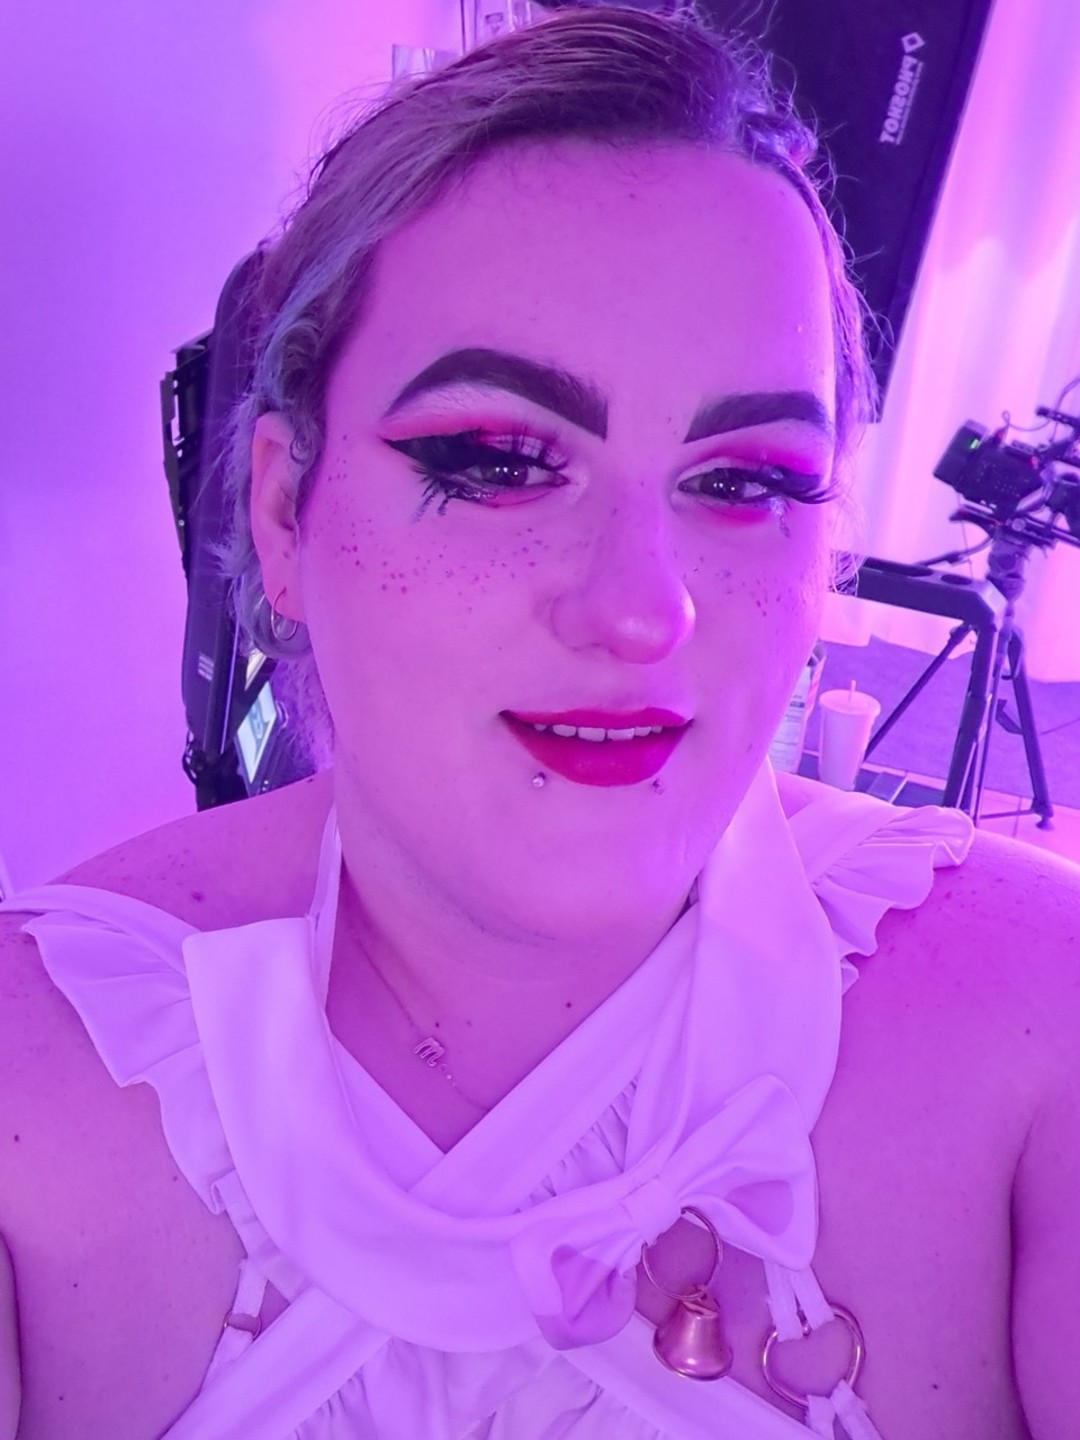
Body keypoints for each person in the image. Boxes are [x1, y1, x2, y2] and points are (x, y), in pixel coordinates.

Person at [1, 8, 1078, 1439]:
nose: (643, 613)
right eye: (503, 461)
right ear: (282, 512)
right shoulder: (42, 1089)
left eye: (746, 480)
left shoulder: (1040, 1026)